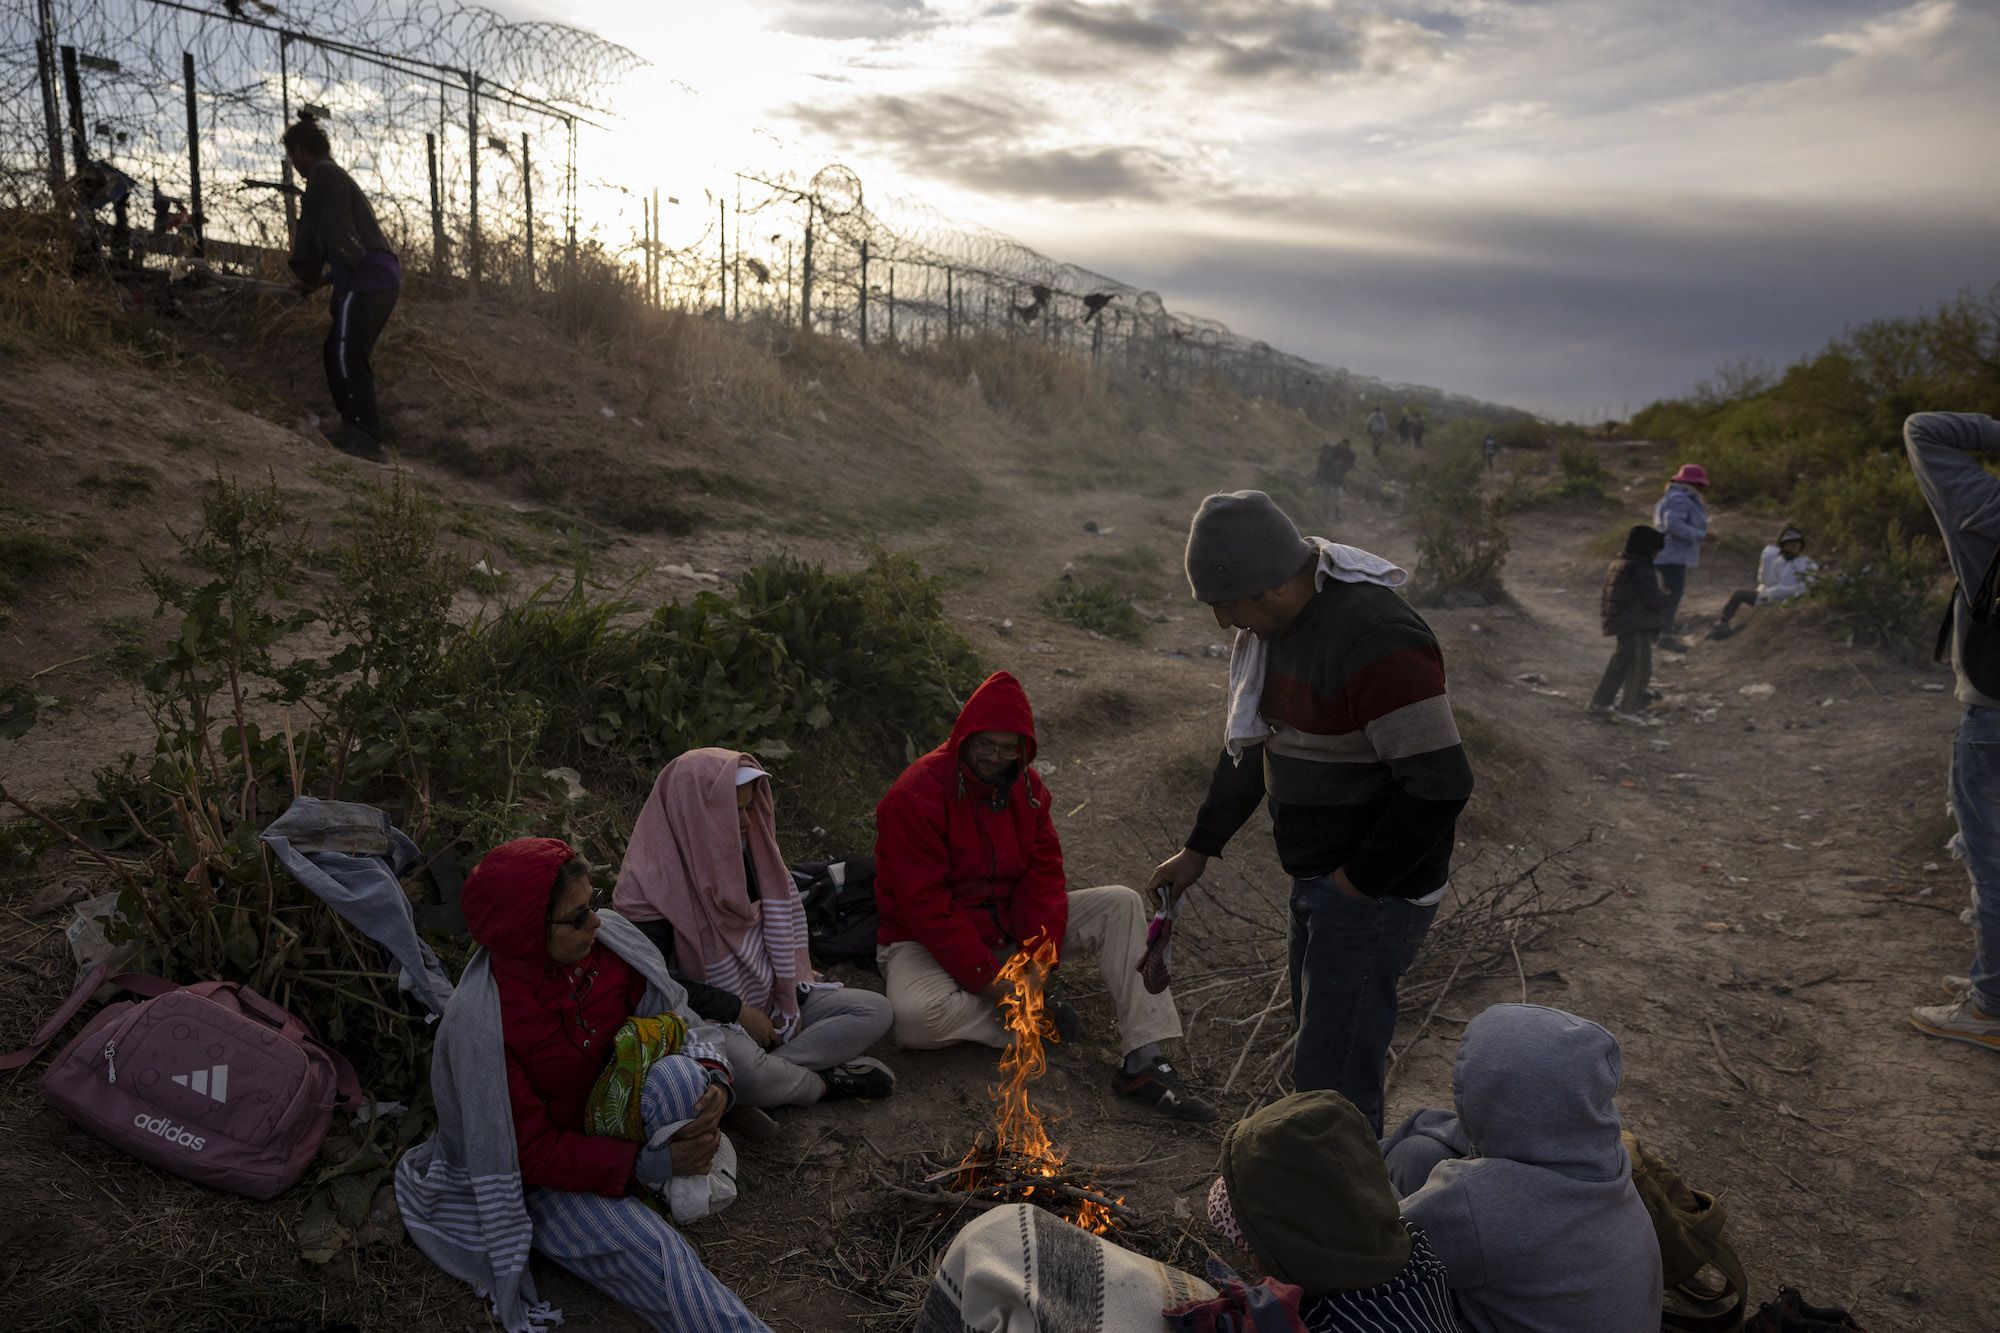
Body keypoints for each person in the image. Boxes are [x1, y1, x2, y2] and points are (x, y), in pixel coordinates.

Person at [1145, 492, 1473, 1135]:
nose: (1220, 624)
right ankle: (1326, 1180)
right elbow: (1251, 746)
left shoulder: (1376, 638)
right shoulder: (1273, 635)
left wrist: (1356, 887)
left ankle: (1345, 1214)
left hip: (1374, 889)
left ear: (1267, 590)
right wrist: (1198, 850)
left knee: (1337, 1075)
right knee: (1321, 1045)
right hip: (1323, 879)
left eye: (1222, 606)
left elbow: (1440, 782)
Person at [394, 837, 771, 1333]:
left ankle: (668, 1184)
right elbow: (530, 1153)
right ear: (527, 931)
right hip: (551, 1181)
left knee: (684, 1076)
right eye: (577, 917)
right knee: (661, 1256)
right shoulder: (483, 1023)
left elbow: (678, 1019)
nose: (597, 920)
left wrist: (717, 1084)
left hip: (615, 1125)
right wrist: (650, 1163)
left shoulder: (611, 947)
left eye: (593, 902)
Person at [874, 670, 1216, 1120]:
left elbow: (1043, 880)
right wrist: (991, 981)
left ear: (1023, 748)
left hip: (1005, 930)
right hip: (923, 940)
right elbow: (925, 906)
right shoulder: (914, 795)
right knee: (914, 1021)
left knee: (1120, 902)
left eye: (1007, 748)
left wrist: (1036, 960)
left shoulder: (1029, 791)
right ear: (964, 738)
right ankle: (1034, 1023)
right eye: (985, 746)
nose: (995, 758)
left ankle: (1144, 1058)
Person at [917, 1089, 1456, 1332]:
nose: (1238, 1245)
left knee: (999, 1246)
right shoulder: (1409, 1252)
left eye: (1250, 1237)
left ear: (1297, 1245)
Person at [612, 749, 898, 1111]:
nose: (748, 822)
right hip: (707, 1019)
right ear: (695, 813)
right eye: (734, 811)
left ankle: (769, 1078)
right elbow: (654, 987)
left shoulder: (750, 857)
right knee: (750, 1075)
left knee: (875, 1010)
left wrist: (777, 1001)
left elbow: (772, 944)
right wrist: (738, 1010)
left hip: (770, 998)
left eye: (749, 808)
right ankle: (823, 1082)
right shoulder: (648, 887)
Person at [1380, 1004, 1662, 1333]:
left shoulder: (1480, 1203)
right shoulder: (1606, 1158)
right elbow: (1463, 1129)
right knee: (1421, 1151)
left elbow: (1368, 1243)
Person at [1904, 410, 2000, 1052]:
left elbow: (1924, 428)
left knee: (1993, 864)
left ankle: (1990, 1006)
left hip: (1995, 714)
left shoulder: (1985, 505)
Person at [283, 111, 401, 463]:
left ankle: (364, 434)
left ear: (301, 151)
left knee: (346, 352)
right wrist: (322, 281)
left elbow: (335, 234)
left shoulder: (324, 176)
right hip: (376, 276)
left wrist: (308, 274)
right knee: (339, 349)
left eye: (293, 156)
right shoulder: (334, 176)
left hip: (366, 278)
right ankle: (357, 426)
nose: (294, 164)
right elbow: (345, 239)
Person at [1589, 526, 1668, 723]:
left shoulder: (1620, 563)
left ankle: (1600, 703)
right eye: (1655, 551)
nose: (1656, 556)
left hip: (1622, 622)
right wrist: (1665, 596)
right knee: (1641, 668)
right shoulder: (1640, 569)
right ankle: (1627, 710)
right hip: (1636, 625)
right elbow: (1653, 601)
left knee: (1620, 663)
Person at [1707, 526, 1817, 640]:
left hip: (1791, 599)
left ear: (1800, 547)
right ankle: (1722, 623)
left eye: (1795, 545)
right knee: (1739, 594)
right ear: (1783, 546)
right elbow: (1767, 582)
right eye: (1789, 545)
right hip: (1772, 597)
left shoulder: (1807, 564)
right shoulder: (1778, 562)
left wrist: (1780, 592)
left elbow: (1807, 587)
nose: (1792, 548)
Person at [1651, 463, 1712, 649]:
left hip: (1669, 554)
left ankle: (1658, 631)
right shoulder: (1680, 498)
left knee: (1666, 594)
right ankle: (1664, 636)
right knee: (1671, 595)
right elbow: (1674, 525)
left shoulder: (1675, 497)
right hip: (1670, 555)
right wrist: (1701, 536)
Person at [1314, 438, 1356, 521]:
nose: (1343, 446)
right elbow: (1324, 462)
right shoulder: (1333, 451)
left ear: (1348, 446)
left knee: (1338, 497)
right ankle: (1325, 512)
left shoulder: (1350, 455)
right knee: (1325, 495)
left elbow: (1350, 466)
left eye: (1345, 445)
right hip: (1328, 476)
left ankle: (1336, 513)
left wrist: (1342, 465)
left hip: (1338, 479)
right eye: (1342, 444)